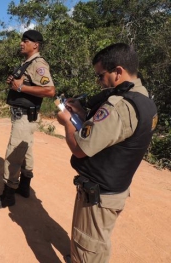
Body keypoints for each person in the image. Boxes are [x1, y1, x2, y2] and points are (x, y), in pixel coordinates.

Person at [57, 43, 158, 263]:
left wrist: (67, 122)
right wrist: (84, 114)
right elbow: (110, 135)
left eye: (101, 76)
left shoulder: (119, 107)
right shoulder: (143, 99)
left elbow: (80, 148)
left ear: (118, 72)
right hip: (114, 188)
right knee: (96, 243)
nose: (99, 82)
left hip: (100, 196)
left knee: (88, 248)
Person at [0, 30, 56, 209]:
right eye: (22, 40)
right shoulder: (27, 63)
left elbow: (50, 91)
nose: (21, 43)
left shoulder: (39, 64)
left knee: (13, 154)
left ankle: (8, 195)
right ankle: (24, 186)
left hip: (25, 117)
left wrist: (21, 88)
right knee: (26, 151)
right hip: (23, 115)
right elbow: (22, 84)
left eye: (25, 41)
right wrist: (14, 82)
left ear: (36, 45)